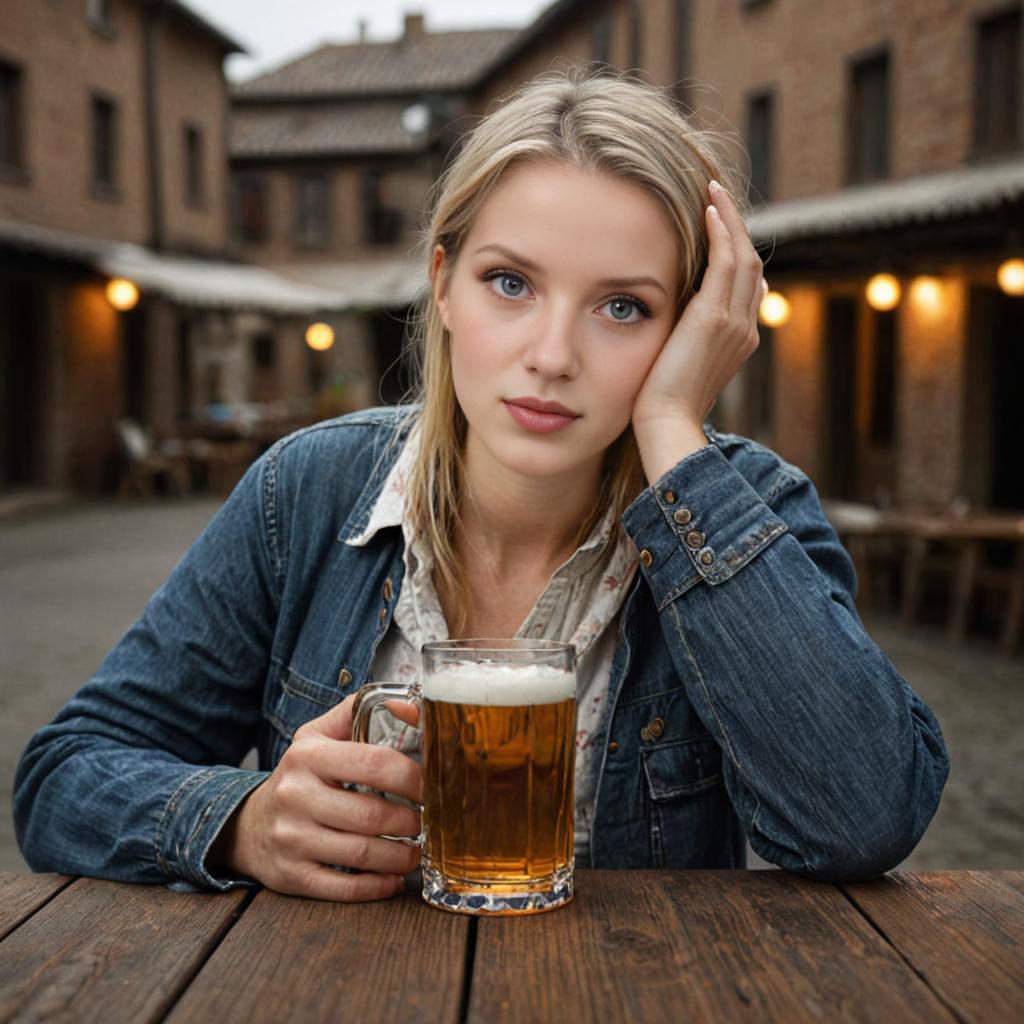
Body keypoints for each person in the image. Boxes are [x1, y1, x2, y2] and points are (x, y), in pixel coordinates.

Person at [14, 67, 949, 903]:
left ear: (694, 329)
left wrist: (672, 432)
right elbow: (60, 778)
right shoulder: (304, 493)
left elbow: (862, 818)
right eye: (510, 283)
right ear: (444, 286)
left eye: (624, 307)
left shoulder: (747, 508)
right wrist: (245, 822)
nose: (552, 357)